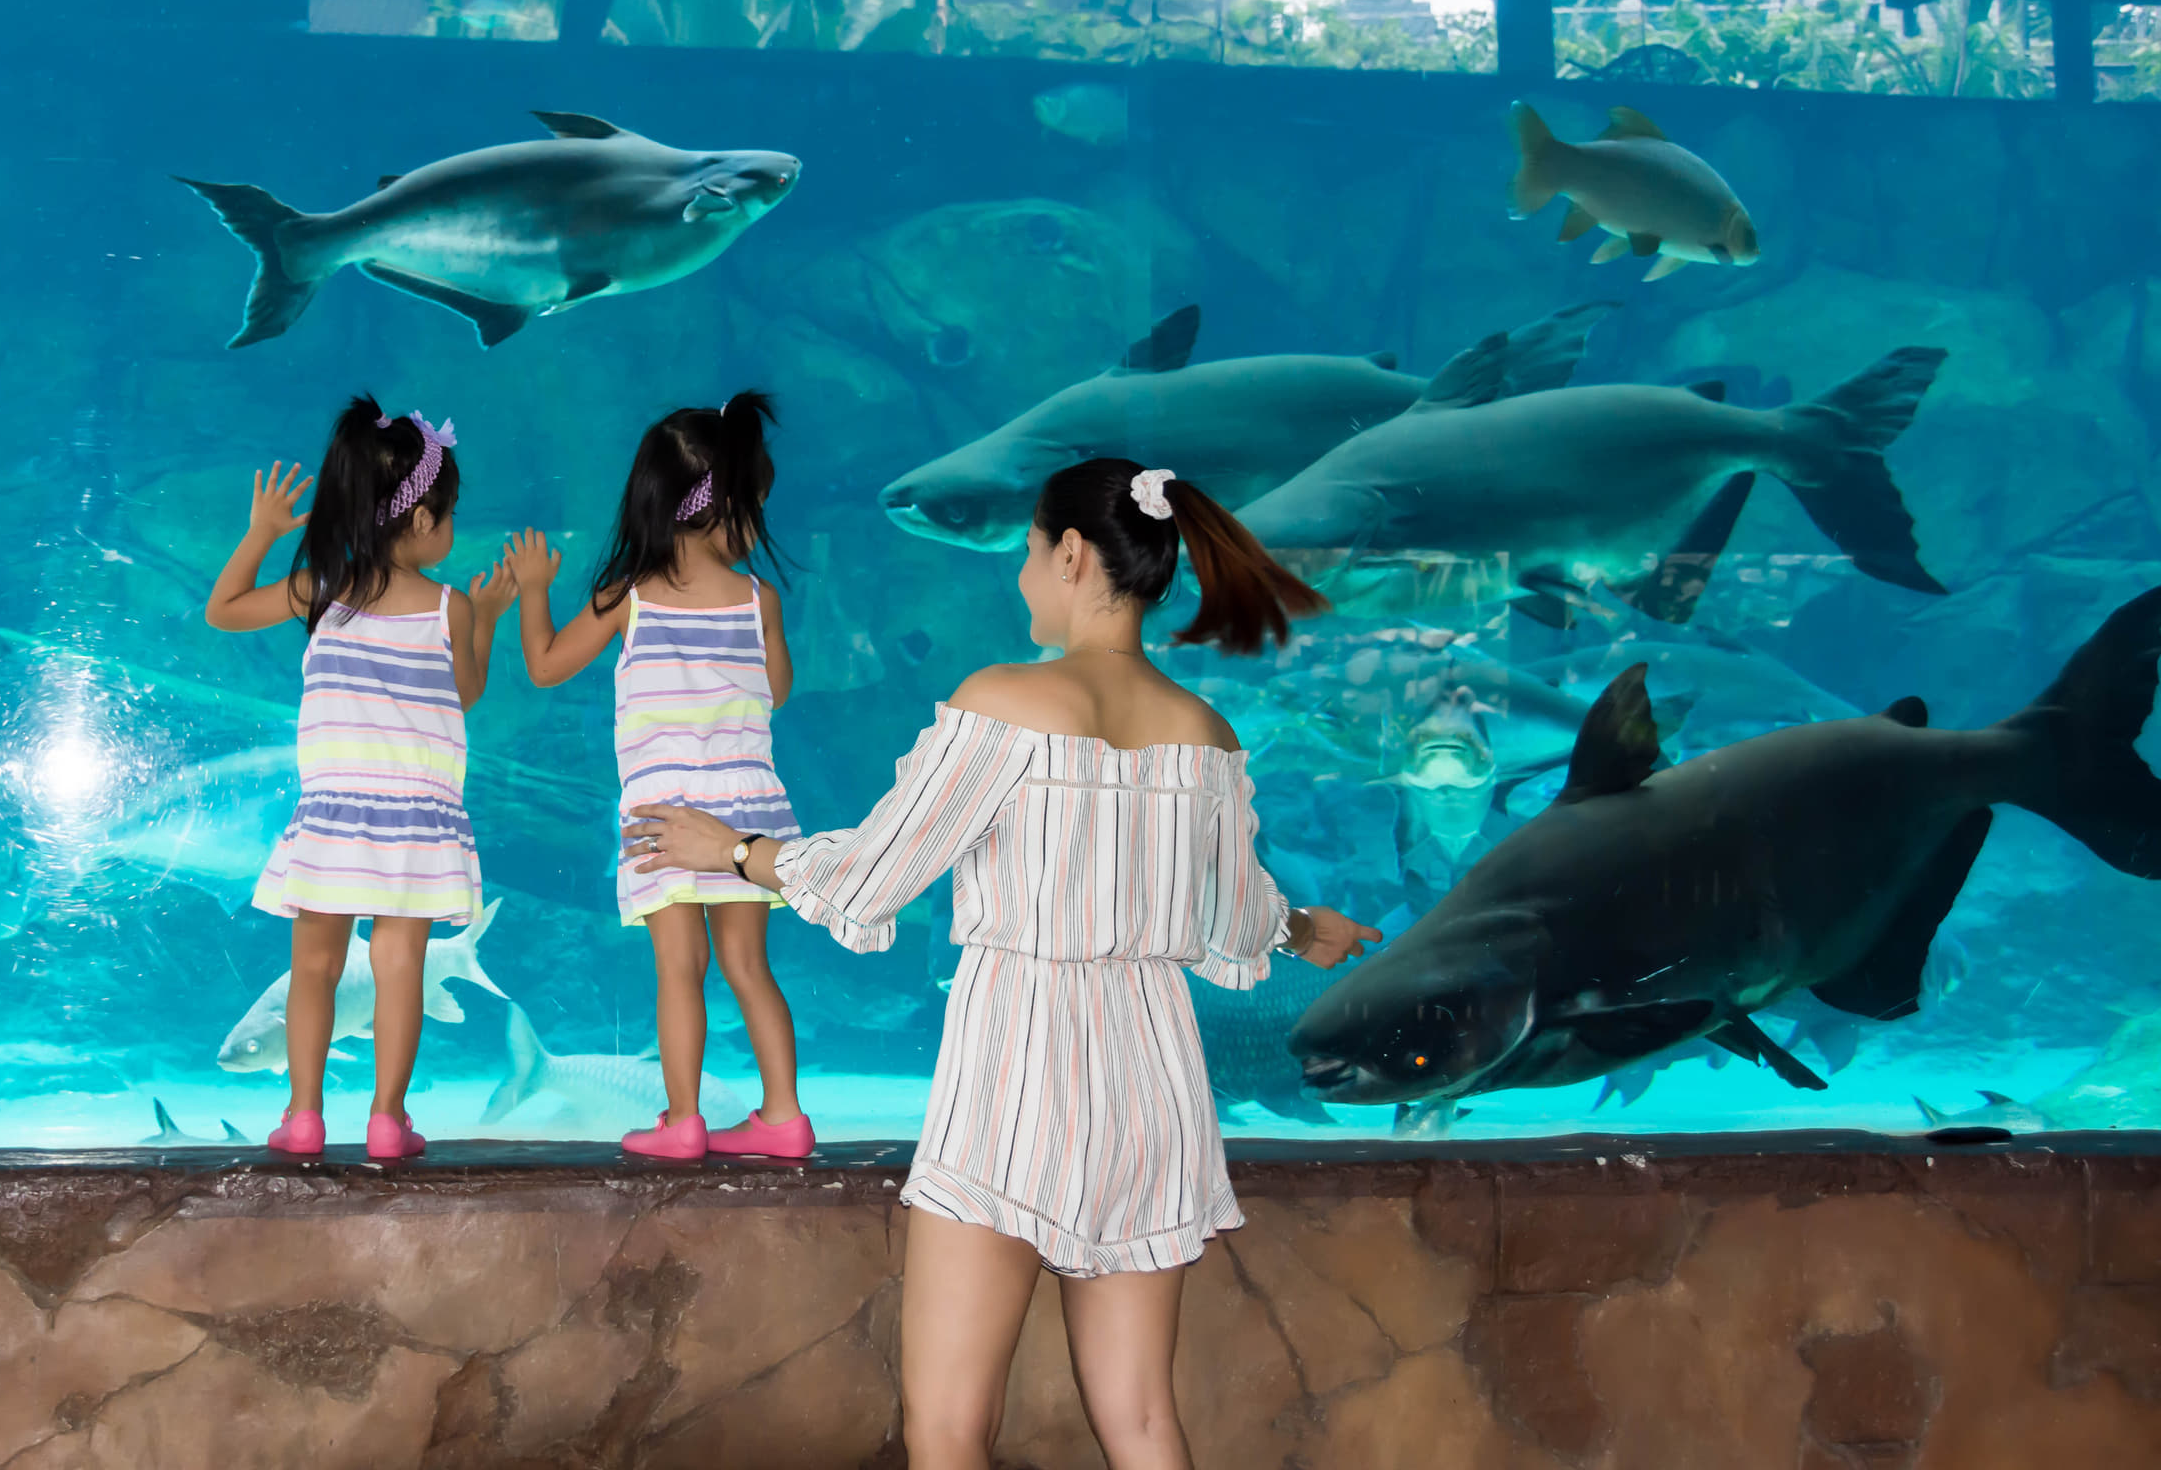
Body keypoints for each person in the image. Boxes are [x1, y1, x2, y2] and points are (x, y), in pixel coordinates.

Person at [629, 457, 1380, 1468]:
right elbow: (1237, 919)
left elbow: (872, 874)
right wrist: (1305, 930)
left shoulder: (1006, 703)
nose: (1020, 576)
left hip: (1018, 1074)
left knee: (948, 1431)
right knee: (1144, 1422)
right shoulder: (1206, 736)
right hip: (1153, 1088)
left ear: (1071, 556)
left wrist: (730, 849)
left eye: (1027, 553)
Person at [206, 397, 516, 1160]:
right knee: (398, 970)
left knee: (311, 969)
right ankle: (386, 1119)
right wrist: (492, 617)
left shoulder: (321, 588)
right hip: (415, 821)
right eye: (448, 515)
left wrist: (260, 536)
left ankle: (303, 1118)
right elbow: (465, 694)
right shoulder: (453, 605)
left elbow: (223, 611)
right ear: (418, 520)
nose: (450, 530)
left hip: (336, 819)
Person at [505, 391, 811, 1159]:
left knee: (680, 968)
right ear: (731, 505)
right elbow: (775, 691)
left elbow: (544, 667)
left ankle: (683, 1122)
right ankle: (783, 1117)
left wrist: (535, 589)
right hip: (748, 815)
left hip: (667, 819)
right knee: (749, 966)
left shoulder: (628, 595)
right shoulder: (758, 599)